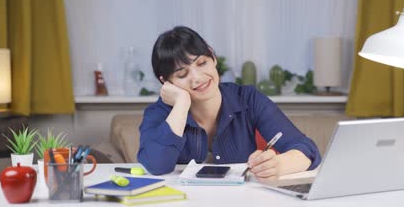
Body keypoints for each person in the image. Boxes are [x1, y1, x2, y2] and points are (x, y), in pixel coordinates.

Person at [137, 26, 321, 182]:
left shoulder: (247, 98)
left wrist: (278, 165)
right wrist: (181, 104)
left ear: (213, 56)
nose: (198, 78)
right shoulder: (159, 113)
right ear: (166, 82)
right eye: (182, 75)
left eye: (201, 63)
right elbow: (156, 165)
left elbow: (308, 150)